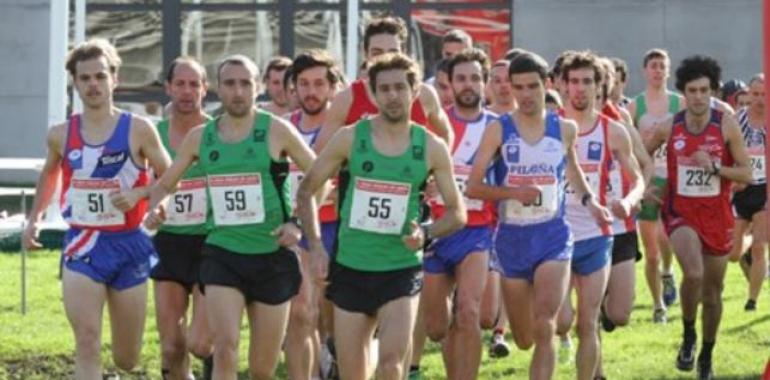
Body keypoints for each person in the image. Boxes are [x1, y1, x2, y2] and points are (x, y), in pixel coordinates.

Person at [145, 54, 320, 380]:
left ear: (258, 88)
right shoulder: (202, 137)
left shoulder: (276, 130)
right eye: (230, 83)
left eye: (245, 83)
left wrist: (297, 224)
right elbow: (166, 183)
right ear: (218, 90)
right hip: (222, 253)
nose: (237, 91)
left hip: (271, 256)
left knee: (261, 369)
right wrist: (158, 206)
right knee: (225, 349)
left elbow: (318, 177)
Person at [296, 52, 466, 380]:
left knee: (391, 366)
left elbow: (457, 214)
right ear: (372, 94)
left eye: (400, 88)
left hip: (400, 268)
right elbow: (306, 191)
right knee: (353, 373)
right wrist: (316, 245)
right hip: (351, 267)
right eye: (384, 88)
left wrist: (426, 233)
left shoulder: (430, 147)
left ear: (414, 92)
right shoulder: (350, 138)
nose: (392, 95)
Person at [22, 38, 171, 379]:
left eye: (100, 77)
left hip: (130, 244)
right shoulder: (61, 134)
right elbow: (49, 173)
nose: (93, 85)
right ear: (74, 82)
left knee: (126, 358)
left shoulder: (138, 129)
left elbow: (170, 175)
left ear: (114, 80)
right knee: (87, 340)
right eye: (85, 78)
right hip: (83, 243)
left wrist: (143, 195)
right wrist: (35, 220)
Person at [466, 50, 612, 380]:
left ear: (546, 85)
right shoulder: (498, 131)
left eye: (533, 86)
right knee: (524, 338)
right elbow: (473, 187)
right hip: (512, 241)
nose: (526, 95)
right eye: (519, 88)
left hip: (553, 236)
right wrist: (511, 193)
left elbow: (573, 173)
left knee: (546, 325)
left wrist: (591, 203)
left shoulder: (564, 129)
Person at [644, 54, 751, 380]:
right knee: (692, 273)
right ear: (684, 92)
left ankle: (706, 353)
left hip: (717, 217)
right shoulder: (670, 126)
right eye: (693, 90)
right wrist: (646, 184)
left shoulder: (726, 125)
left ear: (713, 92)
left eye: (705, 90)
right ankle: (689, 334)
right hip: (680, 213)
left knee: (713, 293)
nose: (699, 97)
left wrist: (716, 168)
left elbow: (746, 174)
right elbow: (641, 154)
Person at [559, 51, 644, 380]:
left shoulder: (613, 130)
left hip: (601, 229)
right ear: (564, 86)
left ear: (599, 87)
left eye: (587, 82)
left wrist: (630, 199)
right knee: (564, 321)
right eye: (574, 82)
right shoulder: (551, 127)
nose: (580, 89)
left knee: (609, 316)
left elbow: (637, 177)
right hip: (558, 233)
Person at [423, 48, 497, 379]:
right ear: (450, 84)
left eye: (476, 78)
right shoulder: (434, 127)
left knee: (469, 312)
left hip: (478, 230)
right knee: (437, 328)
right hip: (436, 230)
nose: (469, 85)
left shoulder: (499, 127)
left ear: (486, 83)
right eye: (461, 78)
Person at [151, 56, 213, 380]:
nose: (187, 91)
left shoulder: (219, 134)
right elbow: (138, 182)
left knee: (200, 344)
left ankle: (215, 364)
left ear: (205, 89)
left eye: (194, 84)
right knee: (172, 346)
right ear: (168, 88)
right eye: (180, 84)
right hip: (168, 242)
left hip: (210, 243)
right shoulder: (154, 134)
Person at [284, 49, 342, 380]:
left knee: (332, 314)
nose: (311, 91)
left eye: (319, 83)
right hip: (299, 229)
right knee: (302, 311)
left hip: (340, 226)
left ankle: (331, 352)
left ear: (333, 88)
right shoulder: (282, 128)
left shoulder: (346, 129)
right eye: (304, 83)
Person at [315, 16, 453, 151]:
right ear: (365, 55)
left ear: (403, 53)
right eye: (377, 53)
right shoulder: (346, 99)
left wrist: (434, 170)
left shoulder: (424, 94)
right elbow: (321, 152)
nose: (385, 59)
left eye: (392, 52)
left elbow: (446, 134)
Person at [627, 48, 684, 322]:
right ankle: (658, 304)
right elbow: (627, 147)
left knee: (666, 238)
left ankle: (668, 271)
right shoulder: (635, 106)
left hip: (673, 180)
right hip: (648, 181)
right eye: (653, 65)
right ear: (645, 71)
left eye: (663, 65)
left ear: (668, 71)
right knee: (650, 251)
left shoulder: (680, 103)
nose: (658, 70)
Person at [728, 73, 767, 311]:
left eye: (764, 94)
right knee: (732, 254)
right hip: (742, 188)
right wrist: (735, 175)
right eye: (755, 94)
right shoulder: (737, 119)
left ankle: (752, 300)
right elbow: (727, 150)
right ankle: (750, 237)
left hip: (764, 189)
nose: (760, 99)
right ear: (748, 94)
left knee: (761, 248)